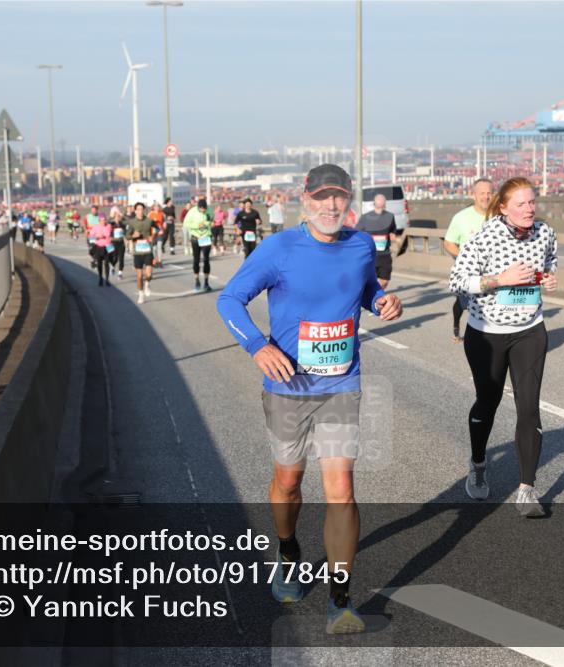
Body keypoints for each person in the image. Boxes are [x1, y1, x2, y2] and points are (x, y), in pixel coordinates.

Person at [217, 164, 403, 635]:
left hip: (341, 383)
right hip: (289, 387)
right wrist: (258, 346)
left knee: (341, 487)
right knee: (289, 482)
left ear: (349, 200)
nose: (331, 206)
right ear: (305, 199)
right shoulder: (279, 248)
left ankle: (340, 600)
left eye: (339, 197)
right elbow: (229, 300)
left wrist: (381, 302)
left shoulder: (360, 244)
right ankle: (287, 550)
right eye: (322, 198)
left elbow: (365, 290)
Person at [449, 177, 558, 518]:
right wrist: (499, 279)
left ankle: (527, 489)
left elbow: (549, 263)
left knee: (529, 408)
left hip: (530, 331)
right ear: (503, 207)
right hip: (488, 334)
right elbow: (457, 281)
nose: (530, 209)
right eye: (522, 204)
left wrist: (547, 279)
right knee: (489, 400)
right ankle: (479, 463)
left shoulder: (545, 233)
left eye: (532, 202)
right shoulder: (485, 237)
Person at [444, 178, 494, 342]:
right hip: (469, 273)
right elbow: (449, 242)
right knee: (463, 303)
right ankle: (457, 324)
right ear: (474, 195)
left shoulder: (500, 216)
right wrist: (463, 259)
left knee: (489, 305)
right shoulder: (461, 218)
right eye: (482, 193)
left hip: (493, 272)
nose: (486, 197)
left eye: (489, 193)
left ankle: (487, 336)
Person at [355, 193, 398, 289]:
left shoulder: (390, 216)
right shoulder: (365, 217)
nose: (380, 208)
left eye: (382, 205)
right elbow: (357, 234)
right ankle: (374, 297)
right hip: (370, 255)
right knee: (368, 281)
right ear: (374, 204)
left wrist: (393, 236)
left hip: (385, 255)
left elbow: (393, 232)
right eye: (378, 205)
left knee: (385, 281)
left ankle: (376, 294)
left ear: (385, 204)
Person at [184, 199, 214, 293]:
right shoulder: (192, 211)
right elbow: (186, 223)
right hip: (196, 238)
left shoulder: (209, 210)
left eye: (204, 209)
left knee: (206, 260)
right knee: (196, 260)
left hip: (206, 237)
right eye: (201, 209)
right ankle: (197, 280)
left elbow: (212, 220)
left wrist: (207, 223)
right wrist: (197, 225)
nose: (203, 211)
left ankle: (206, 282)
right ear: (198, 207)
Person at [128, 202, 155, 303]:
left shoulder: (149, 221)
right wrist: (133, 236)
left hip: (147, 250)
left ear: (144, 210)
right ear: (135, 211)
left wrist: (153, 236)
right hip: (138, 252)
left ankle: (147, 285)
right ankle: (141, 294)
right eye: (138, 209)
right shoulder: (132, 222)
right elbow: (127, 235)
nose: (140, 211)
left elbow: (157, 228)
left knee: (149, 274)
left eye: (141, 209)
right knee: (139, 277)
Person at [87, 213, 114, 287]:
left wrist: (111, 238)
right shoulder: (96, 227)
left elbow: (111, 235)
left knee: (107, 264)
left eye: (104, 220)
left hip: (107, 246)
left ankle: (107, 280)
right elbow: (90, 238)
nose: (103, 222)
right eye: (102, 220)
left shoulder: (109, 226)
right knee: (99, 264)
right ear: (99, 221)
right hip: (99, 246)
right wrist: (97, 237)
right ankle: (100, 279)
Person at [108, 206, 127, 279]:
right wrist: (112, 214)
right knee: (115, 258)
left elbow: (127, 221)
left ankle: (120, 273)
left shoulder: (122, 224)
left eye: (118, 216)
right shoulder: (111, 224)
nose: (117, 218)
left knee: (121, 258)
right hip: (114, 242)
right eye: (116, 216)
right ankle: (112, 266)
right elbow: (108, 221)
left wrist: (122, 214)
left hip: (121, 242)